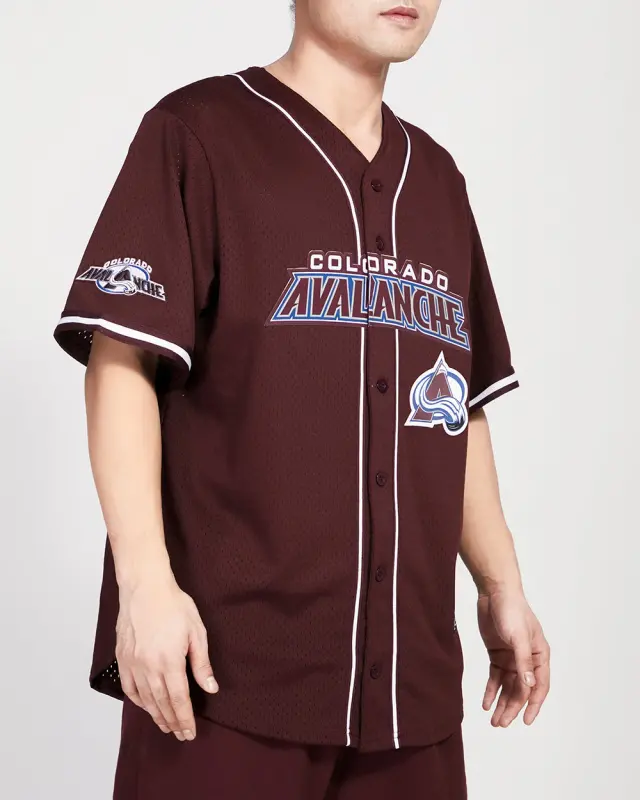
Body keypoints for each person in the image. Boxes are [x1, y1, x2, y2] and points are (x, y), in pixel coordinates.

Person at [53, 1, 550, 797]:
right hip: (223, 682)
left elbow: (455, 405)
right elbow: (121, 363)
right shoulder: (199, 134)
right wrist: (145, 586)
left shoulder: (438, 182)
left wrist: (502, 586)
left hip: (410, 697)